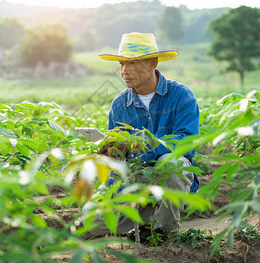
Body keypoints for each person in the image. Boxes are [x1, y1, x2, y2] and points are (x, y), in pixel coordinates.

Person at [83, 32, 200, 241]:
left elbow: (186, 144)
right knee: (91, 219)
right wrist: (111, 153)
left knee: (173, 162)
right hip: (134, 181)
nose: (125, 71)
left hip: (170, 180)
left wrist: (140, 146)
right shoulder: (119, 105)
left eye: (133, 64)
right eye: (121, 64)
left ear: (153, 63)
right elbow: (118, 164)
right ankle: (145, 218)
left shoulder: (182, 96)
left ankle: (164, 230)